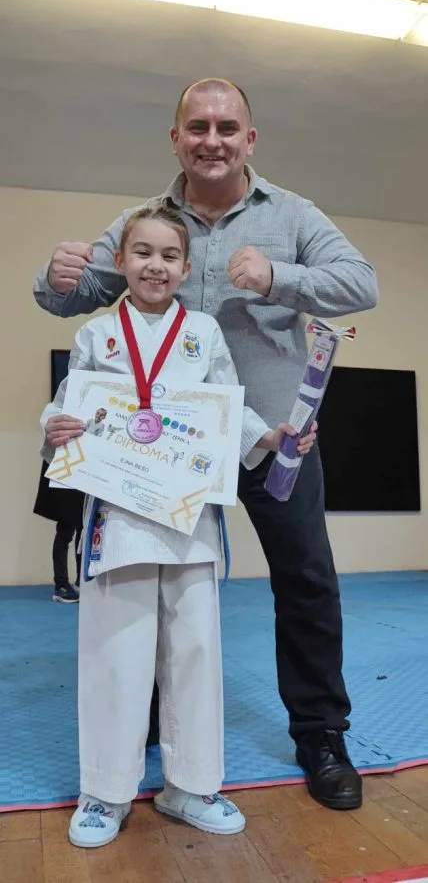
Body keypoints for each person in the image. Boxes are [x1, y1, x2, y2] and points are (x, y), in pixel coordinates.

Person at [34, 77, 379, 811]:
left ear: (249, 139)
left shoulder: (293, 214)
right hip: (161, 454)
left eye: (227, 127)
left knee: (306, 580)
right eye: (198, 127)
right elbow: (76, 295)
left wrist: (279, 277)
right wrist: (55, 276)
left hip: (273, 438)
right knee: (159, 585)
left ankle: (321, 733)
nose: (212, 140)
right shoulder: (147, 221)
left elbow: (361, 284)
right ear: (176, 139)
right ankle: (153, 722)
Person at [40, 205, 317, 847]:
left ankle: (191, 786)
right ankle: (105, 792)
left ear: (186, 268)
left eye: (169, 256)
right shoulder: (95, 335)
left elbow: (228, 406)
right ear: (120, 262)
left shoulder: (203, 332)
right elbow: (65, 407)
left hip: (189, 512)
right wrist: (54, 427)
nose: (155, 266)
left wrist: (268, 437)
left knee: (194, 649)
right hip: (118, 515)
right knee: (115, 649)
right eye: (142, 253)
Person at [33, 460, 83, 602]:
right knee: (66, 529)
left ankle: (80, 583)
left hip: (83, 471)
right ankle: (62, 586)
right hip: (66, 470)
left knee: (82, 529)